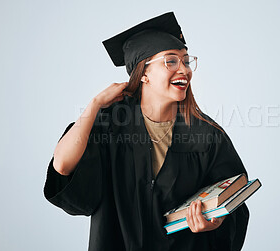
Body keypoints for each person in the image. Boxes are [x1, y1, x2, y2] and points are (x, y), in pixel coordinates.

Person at [44, 12, 250, 251]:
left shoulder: (208, 135)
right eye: (171, 61)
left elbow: (234, 202)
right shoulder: (110, 123)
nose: (184, 69)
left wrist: (214, 223)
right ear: (143, 73)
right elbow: (62, 166)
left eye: (185, 61)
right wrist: (96, 104)